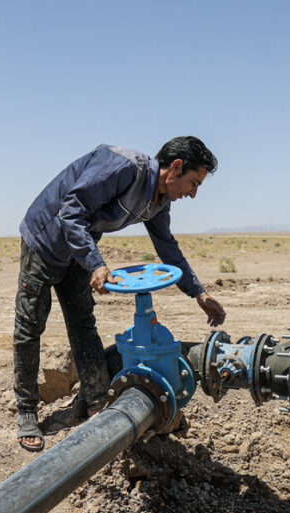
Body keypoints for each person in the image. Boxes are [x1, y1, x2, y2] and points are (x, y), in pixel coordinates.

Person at [13, 136, 226, 451]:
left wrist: (198, 292)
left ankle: (97, 402)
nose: (192, 193)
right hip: (45, 240)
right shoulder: (124, 167)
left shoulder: (159, 201)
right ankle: (27, 411)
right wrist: (96, 263)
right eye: (193, 183)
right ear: (176, 168)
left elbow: (166, 245)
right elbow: (71, 210)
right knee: (30, 326)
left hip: (78, 249)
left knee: (83, 322)